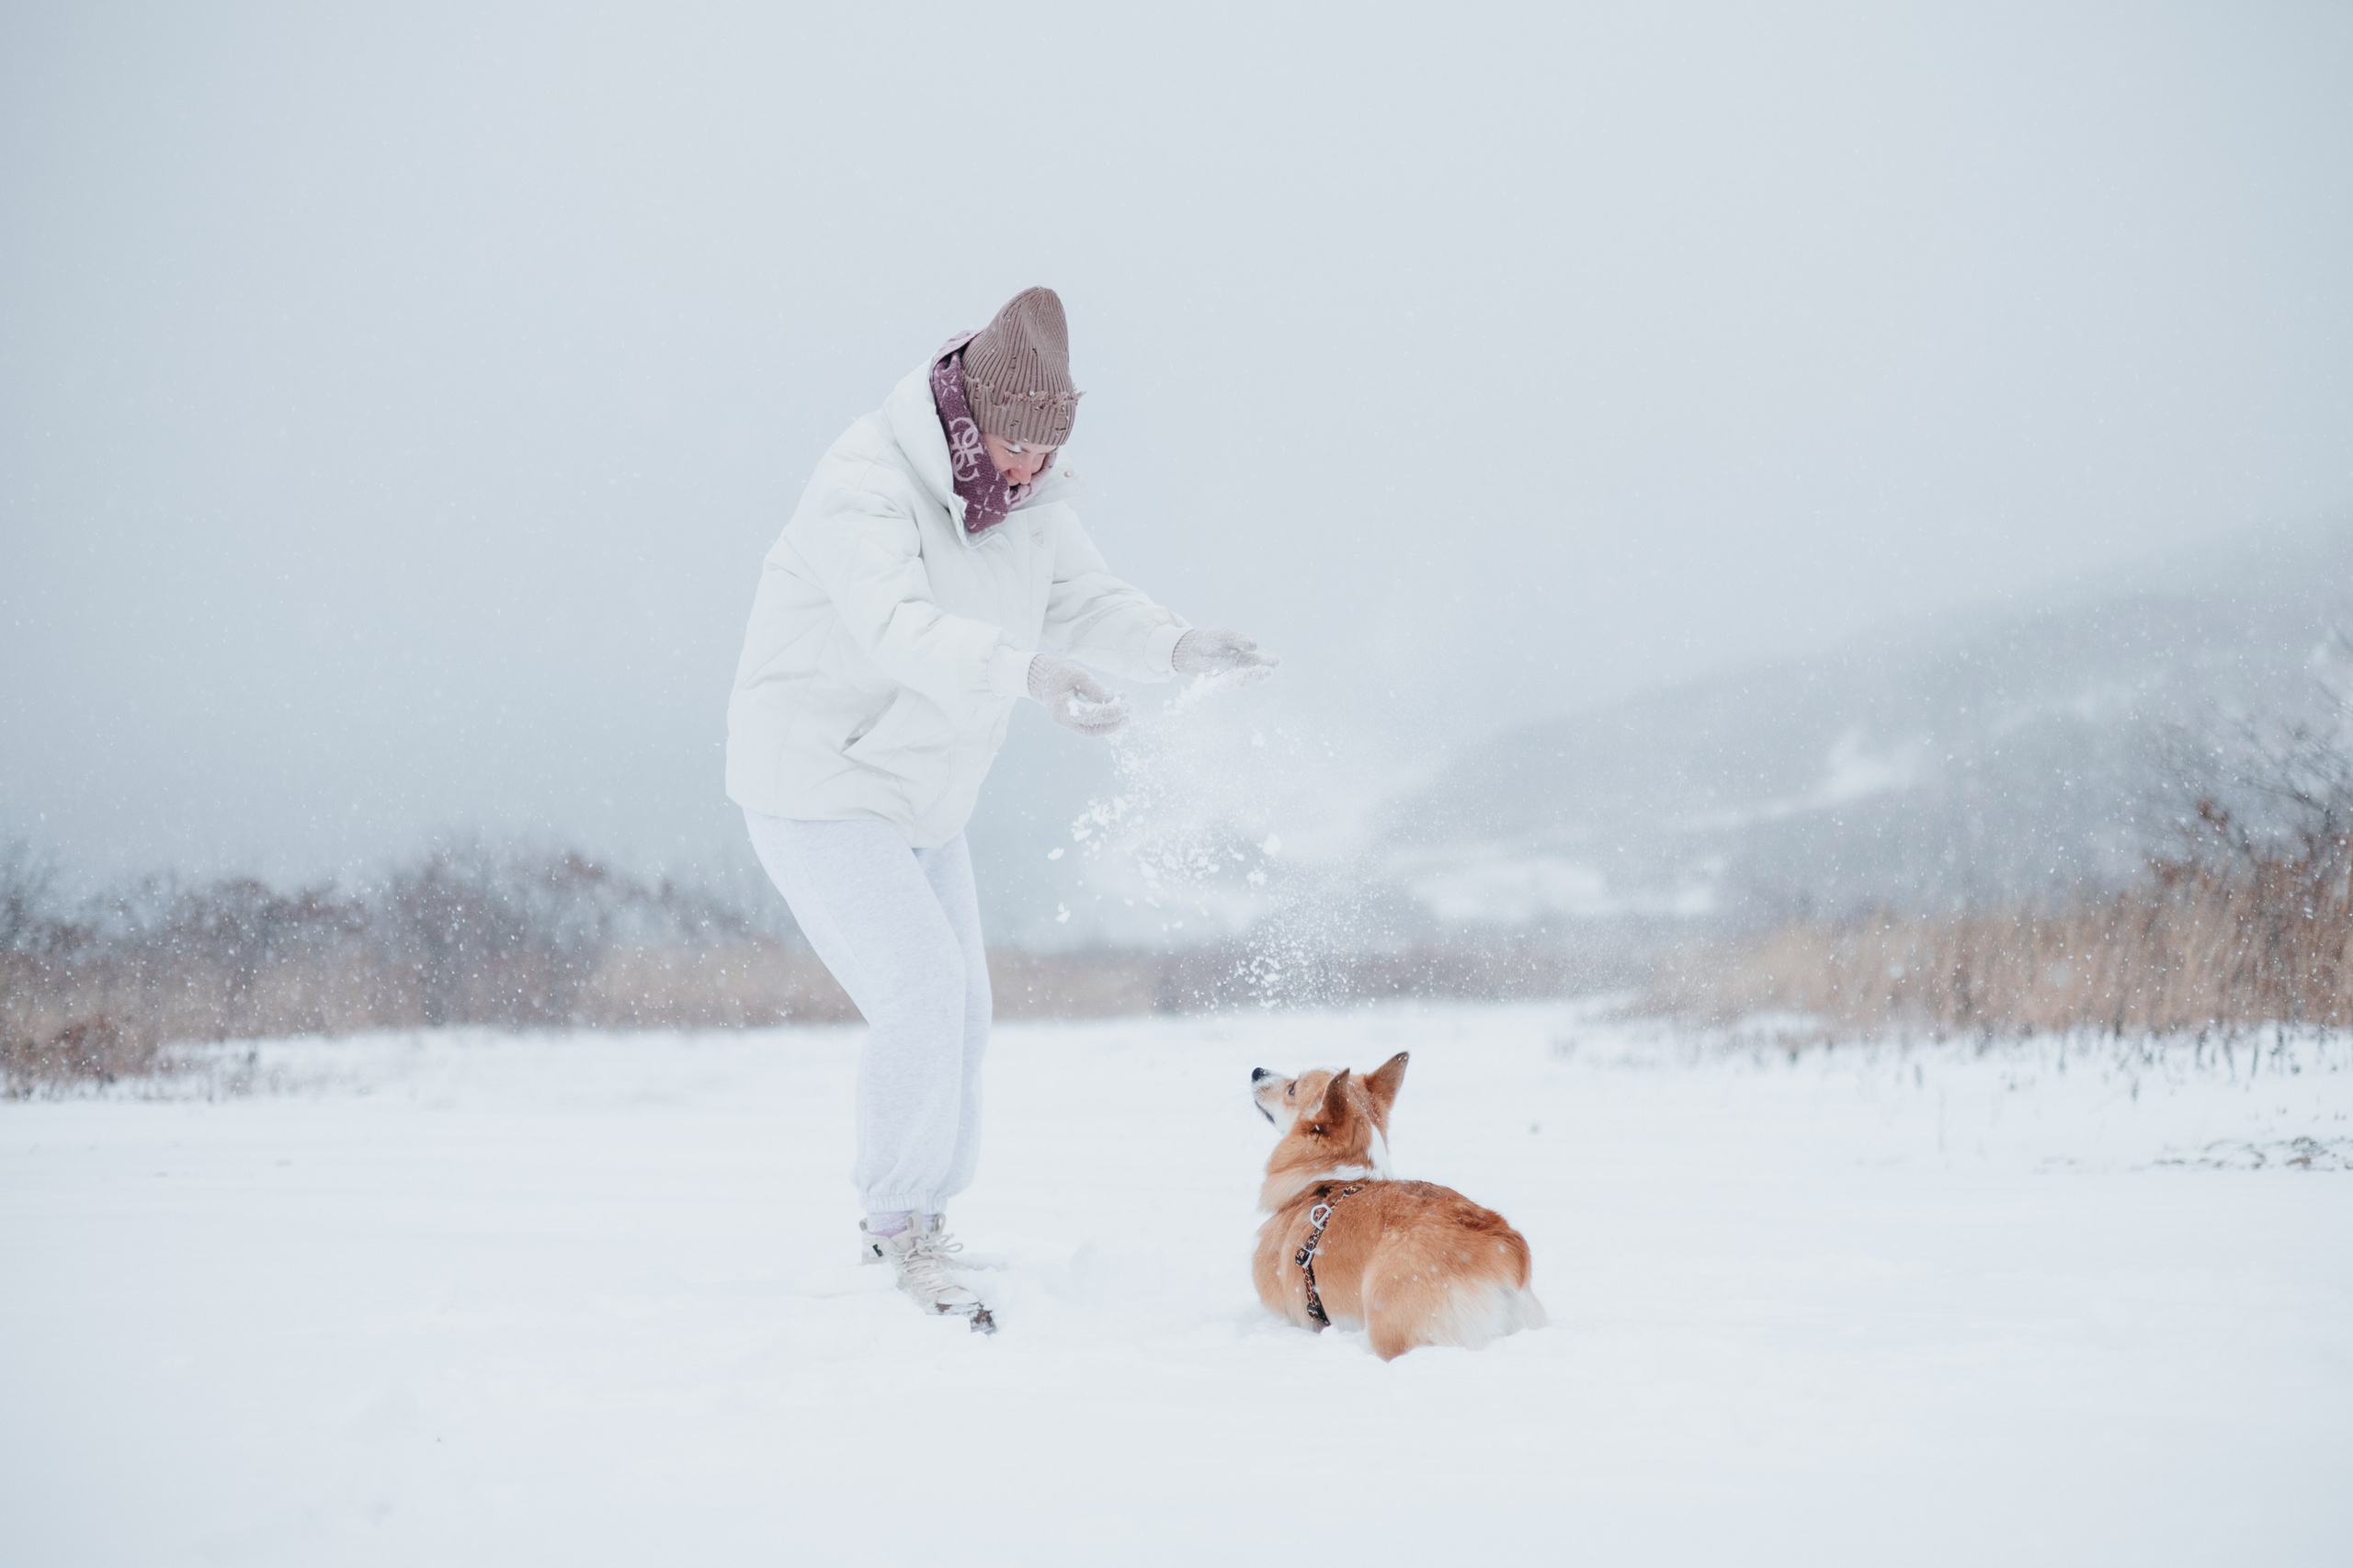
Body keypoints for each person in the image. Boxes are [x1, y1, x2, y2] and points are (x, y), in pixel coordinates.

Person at [724, 287, 1274, 1328]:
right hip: (819, 781)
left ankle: (922, 1216)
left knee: (963, 1011)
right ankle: (897, 1225)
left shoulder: (1028, 502)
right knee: (921, 993)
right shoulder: (865, 480)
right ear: (969, 414)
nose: (1027, 469)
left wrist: (1176, 645)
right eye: (1015, 444)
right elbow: (897, 626)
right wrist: (1027, 672)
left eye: (1046, 447)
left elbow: (1081, 600)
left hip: (922, 795)